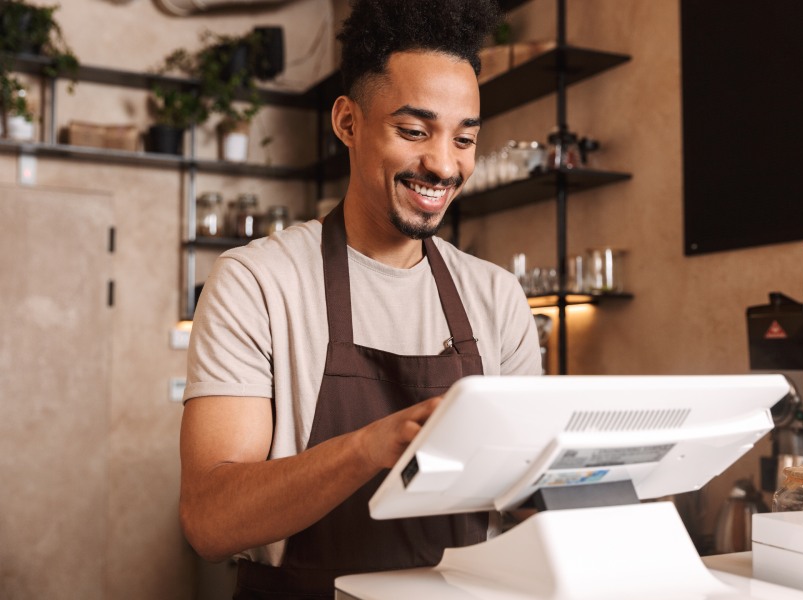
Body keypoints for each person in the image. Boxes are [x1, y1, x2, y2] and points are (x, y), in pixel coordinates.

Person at [179, 0, 542, 597]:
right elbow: (210, 522)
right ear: (348, 123)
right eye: (414, 131)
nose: (443, 165)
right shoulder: (256, 282)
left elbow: (525, 494)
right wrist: (371, 446)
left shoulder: (496, 296)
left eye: (465, 139)